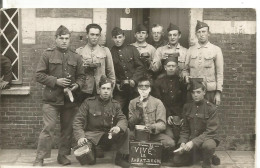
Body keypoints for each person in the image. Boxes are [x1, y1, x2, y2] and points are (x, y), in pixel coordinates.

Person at [33, 25, 85, 166]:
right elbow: (39, 75)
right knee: (48, 129)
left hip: (69, 100)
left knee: (67, 130)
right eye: (61, 38)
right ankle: (40, 158)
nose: (64, 41)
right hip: (51, 99)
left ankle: (62, 156)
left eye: (66, 38)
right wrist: (56, 81)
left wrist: (77, 85)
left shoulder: (76, 56)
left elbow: (81, 76)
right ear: (56, 39)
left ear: (70, 40)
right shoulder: (47, 55)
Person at [73, 75, 130, 168]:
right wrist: (80, 137)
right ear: (99, 90)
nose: (106, 91)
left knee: (125, 130)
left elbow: (122, 118)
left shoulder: (115, 104)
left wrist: (118, 127)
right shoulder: (88, 102)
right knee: (90, 161)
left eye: (108, 88)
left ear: (111, 90)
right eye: (103, 88)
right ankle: (95, 150)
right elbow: (78, 121)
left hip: (109, 135)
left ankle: (120, 158)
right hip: (92, 136)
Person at [173, 78, 220, 168]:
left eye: (198, 92)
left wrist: (193, 142)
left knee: (209, 146)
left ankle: (207, 161)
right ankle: (202, 156)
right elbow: (185, 129)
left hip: (206, 140)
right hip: (191, 141)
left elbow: (211, 131)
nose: (195, 95)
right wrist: (182, 142)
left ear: (204, 92)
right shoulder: (187, 107)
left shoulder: (211, 108)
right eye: (193, 93)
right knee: (176, 161)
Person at [128, 77, 175, 163]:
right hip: (137, 134)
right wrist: (138, 111)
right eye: (141, 86)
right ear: (137, 88)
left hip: (153, 134)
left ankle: (156, 158)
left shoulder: (157, 102)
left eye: (146, 86)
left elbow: (162, 124)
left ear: (150, 88)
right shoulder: (132, 102)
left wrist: (151, 127)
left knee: (170, 143)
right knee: (125, 139)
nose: (143, 88)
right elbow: (130, 124)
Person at [183, 20, 224, 105]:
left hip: (209, 92)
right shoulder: (190, 50)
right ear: (196, 34)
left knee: (208, 115)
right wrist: (186, 77)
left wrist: (218, 93)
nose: (201, 34)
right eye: (199, 32)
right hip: (193, 91)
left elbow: (219, 73)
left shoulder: (216, 50)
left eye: (204, 32)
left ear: (208, 33)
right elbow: (185, 69)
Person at [76, 23, 115, 103]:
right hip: (84, 90)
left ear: (100, 36)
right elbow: (76, 73)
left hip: (100, 90)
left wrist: (110, 91)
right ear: (87, 35)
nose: (94, 37)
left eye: (97, 35)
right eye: (92, 34)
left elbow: (111, 74)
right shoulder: (79, 51)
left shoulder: (105, 51)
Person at [110, 27, 145, 117]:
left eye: (120, 37)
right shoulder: (111, 52)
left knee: (137, 112)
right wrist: (116, 83)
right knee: (115, 110)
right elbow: (110, 70)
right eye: (115, 37)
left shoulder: (132, 49)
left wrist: (134, 79)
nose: (118, 40)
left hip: (135, 89)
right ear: (112, 38)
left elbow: (140, 67)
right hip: (120, 90)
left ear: (124, 37)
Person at [152, 56, 186, 143]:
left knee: (181, 136)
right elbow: (159, 101)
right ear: (165, 67)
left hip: (179, 115)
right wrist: (167, 115)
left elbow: (185, 101)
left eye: (173, 66)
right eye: (169, 66)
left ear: (177, 68)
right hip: (164, 115)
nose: (171, 68)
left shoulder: (181, 82)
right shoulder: (158, 82)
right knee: (170, 137)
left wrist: (182, 116)